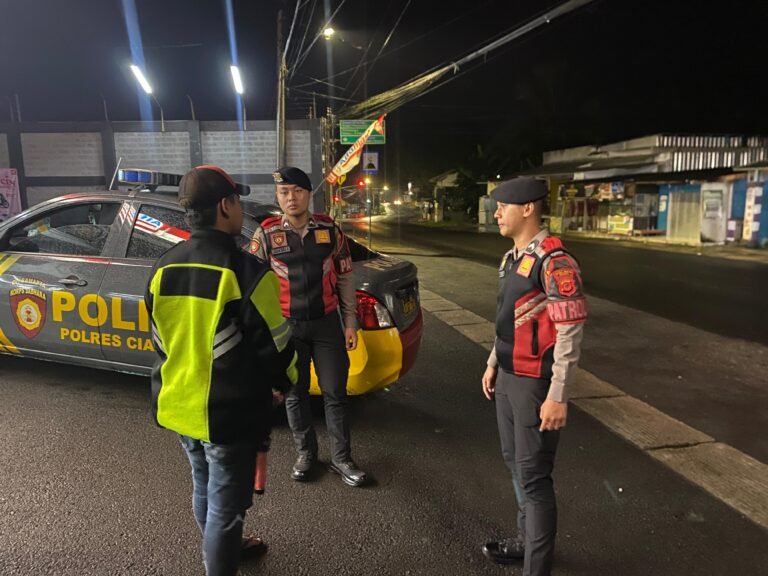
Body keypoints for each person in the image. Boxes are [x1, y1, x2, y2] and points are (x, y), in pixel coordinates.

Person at [145, 165, 298, 576]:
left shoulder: (164, 267)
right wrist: (284, 384)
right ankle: (222, 556)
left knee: (204, 484)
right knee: (226, 507)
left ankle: (226, 547)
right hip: (228, 413)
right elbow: (277, 343)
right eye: (238, 201)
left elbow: (160, 339)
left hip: (179, 404)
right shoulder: (245, 271)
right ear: (226, 205)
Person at [481, 177, 587, 576]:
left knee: (534, 476)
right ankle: (527, 542)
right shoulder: (513, 258)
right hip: (508, 377)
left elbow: (570, 330)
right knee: (515, 463)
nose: (496, 213)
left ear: (527, 208)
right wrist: (493, 362)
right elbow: (508, 321)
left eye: (502, 206)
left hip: (535, 385)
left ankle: (536, 566)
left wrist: (558, 394)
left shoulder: (554, 261)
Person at [249, 166, 367, 487]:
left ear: (308, 194)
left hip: (328, 324)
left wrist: (350, 323)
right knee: (294, 394)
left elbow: (344, 276)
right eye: (284, 192)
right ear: (277, 196)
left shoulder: (330, 230)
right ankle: (307, 454)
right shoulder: (266, 234)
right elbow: (254, 285)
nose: (291, 198)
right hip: (288, 328)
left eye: (297, 191)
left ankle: (342, 458)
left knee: (335, 393)